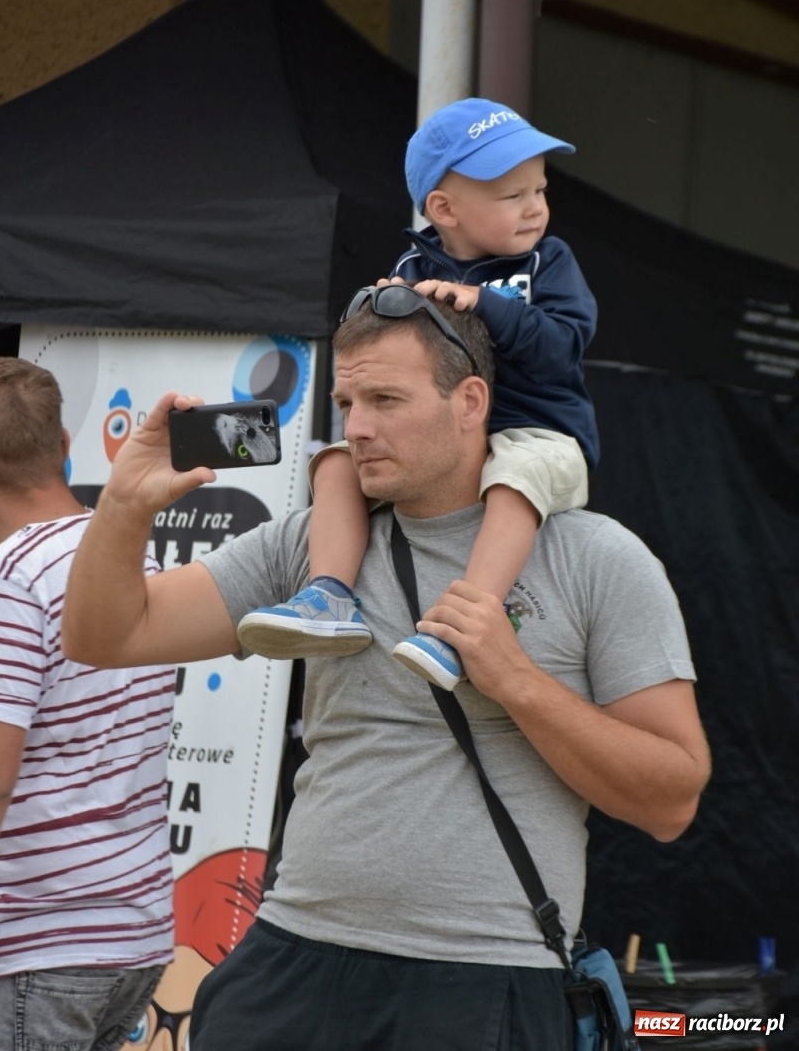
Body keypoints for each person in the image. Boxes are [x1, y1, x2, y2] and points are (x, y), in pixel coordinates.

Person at [61, 295, 711, 1051]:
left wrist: (515, 680)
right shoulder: (313, 541)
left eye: (385, 400)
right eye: (345, 401)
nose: (356, 427)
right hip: (289, 960)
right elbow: (104, 636)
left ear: (470, 402)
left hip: (483, 977)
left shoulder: (596, 558)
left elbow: (672, 800)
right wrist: (123, 508)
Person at [237, 97, 597, 690]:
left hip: (540, 435)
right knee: (332, 463)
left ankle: (460, 630)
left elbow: (562, 350)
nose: (535, 208)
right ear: (444, 208)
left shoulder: (549, 261)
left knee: (514, 476)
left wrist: (489, 305)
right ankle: (327, 597)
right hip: (447, 445)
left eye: (541, 189)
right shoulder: (412, 266)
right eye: (514, 195)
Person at [0, 358, 175, 1051]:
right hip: (134, 932)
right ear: (65, 445)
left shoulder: (11, 579)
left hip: (33, 939)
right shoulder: (132, 558)